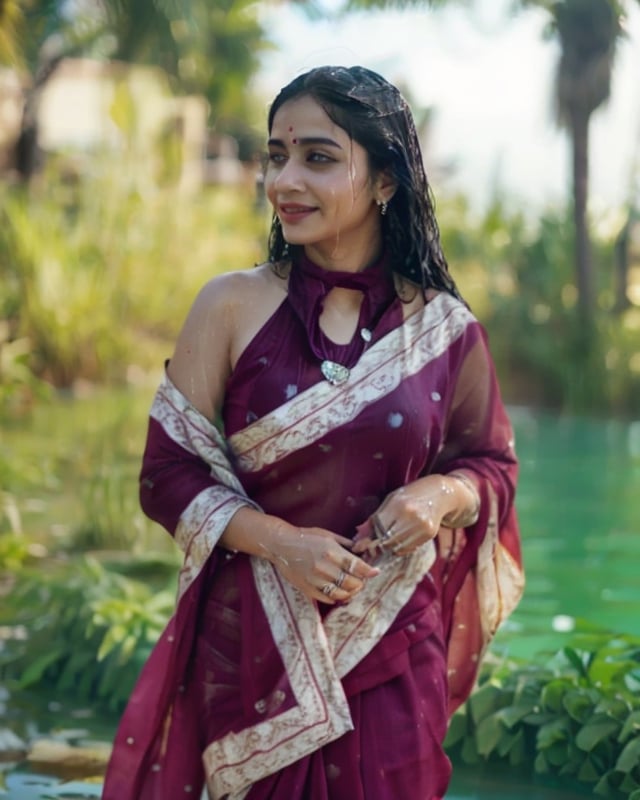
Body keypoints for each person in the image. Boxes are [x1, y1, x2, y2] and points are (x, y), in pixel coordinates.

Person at [102, 65, 524, 800]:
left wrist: (439, 494)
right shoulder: (229, 306)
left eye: (318, 158)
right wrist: (281, 543)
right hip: (253, 656)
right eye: (277, 155)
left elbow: (489, 463)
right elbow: (167, 475)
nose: (284, 180)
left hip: (393, 650)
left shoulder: (445, 332)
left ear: (386, 181)